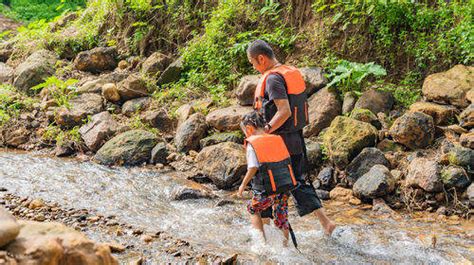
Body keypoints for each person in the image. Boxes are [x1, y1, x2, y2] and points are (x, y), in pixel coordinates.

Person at [246, 39, 336, 236]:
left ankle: (264, 237)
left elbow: (284, 111)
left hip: (278, 143)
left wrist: (266, 130)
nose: (254, 67)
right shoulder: (289, 72)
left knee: (265, 186)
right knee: (298, 181)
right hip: (295, 139)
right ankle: (326, 223)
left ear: (261, 58)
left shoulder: (272, 79)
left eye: (253, 63)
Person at [237, 111, 299, 246]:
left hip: (267, 189)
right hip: (284, 187)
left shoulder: (252, 144)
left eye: (245, 132)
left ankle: (261, 244)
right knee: (281, 217)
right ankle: (285, 248)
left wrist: (243, 185)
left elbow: (252, 168)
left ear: (249, 128)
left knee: (253, 209)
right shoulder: (276, 139)